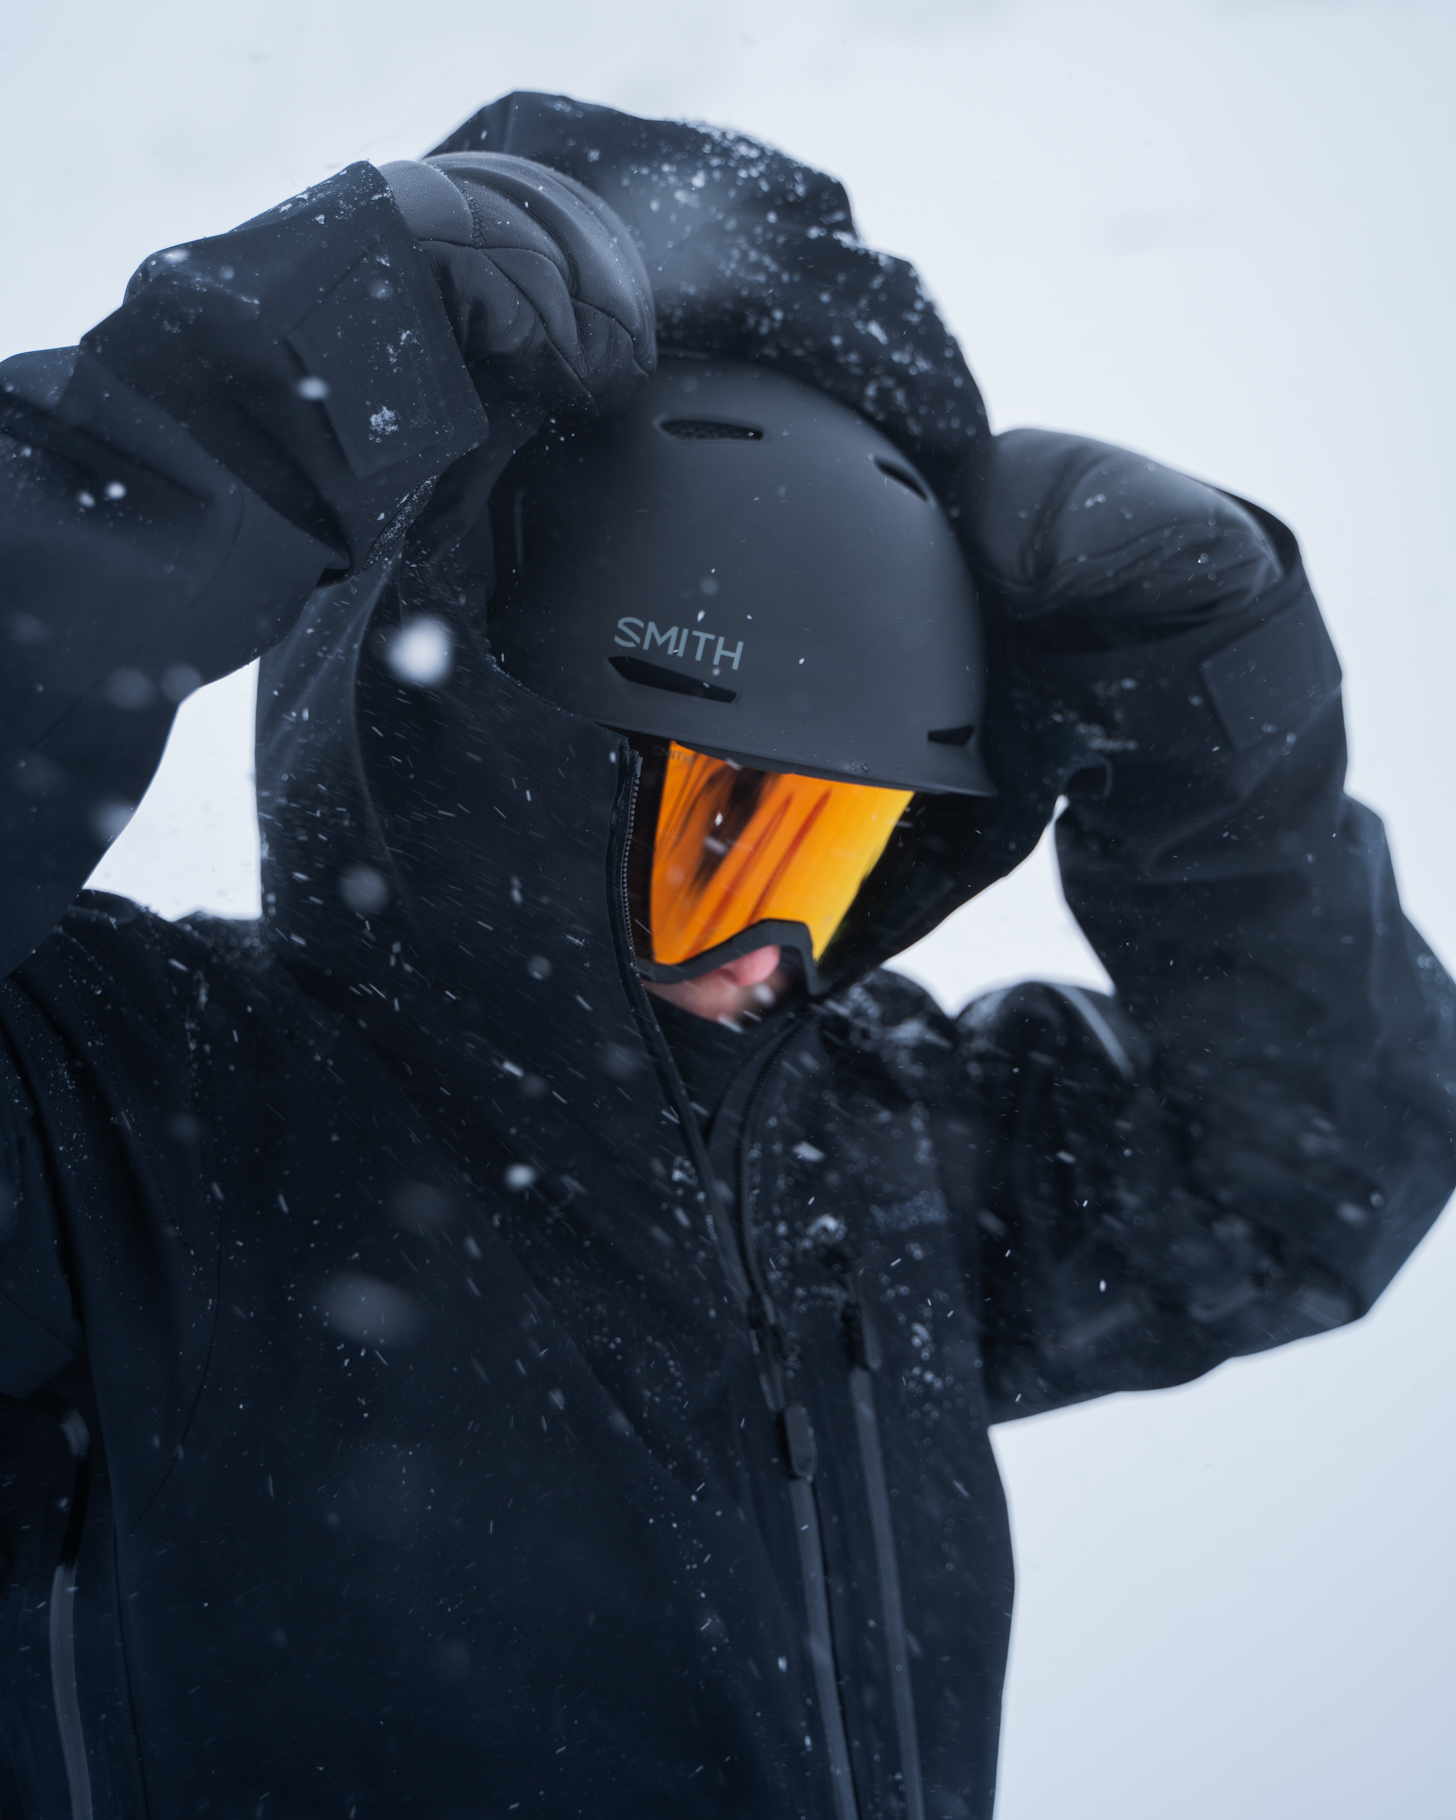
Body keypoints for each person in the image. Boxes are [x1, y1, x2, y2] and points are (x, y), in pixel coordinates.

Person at [1, 90, 1451, 1820]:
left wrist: (1219, 729)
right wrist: (203, 425)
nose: (776, 948)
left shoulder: (849, 1154)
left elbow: (1309, 1178)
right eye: (726, 832)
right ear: (505, 783)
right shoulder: (126, 1141)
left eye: (836, 848)